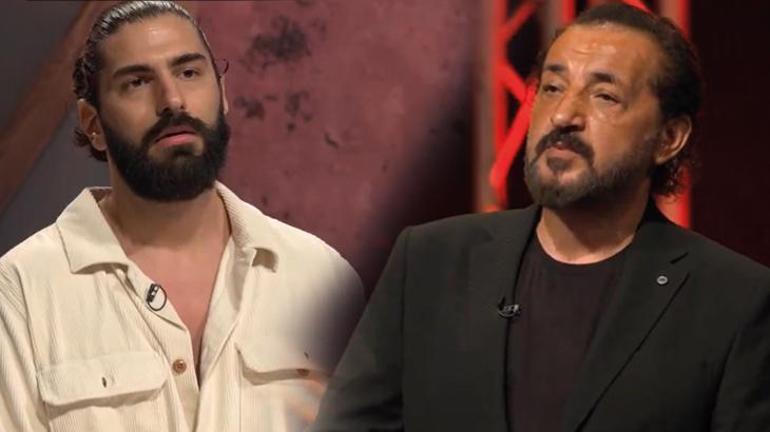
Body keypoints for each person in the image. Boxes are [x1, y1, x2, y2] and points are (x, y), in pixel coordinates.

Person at [310, 4, 770, 432]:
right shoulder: (431, 260)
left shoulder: (735, 300)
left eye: (605, 96)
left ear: (669, 138)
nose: (564, 114)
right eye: (551, 88)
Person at [0, 2, 363, 431]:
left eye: (189, 72)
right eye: (137, 82)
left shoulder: (321, 277)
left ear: (223, 94)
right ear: (93, 124)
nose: (172, 100)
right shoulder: (20, 294)